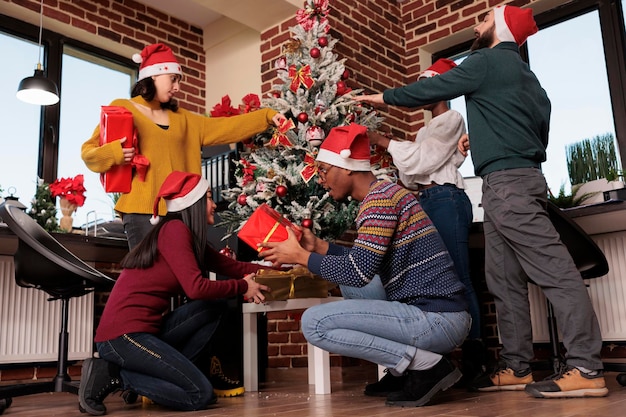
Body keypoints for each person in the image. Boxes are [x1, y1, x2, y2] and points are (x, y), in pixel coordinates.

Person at [356, 5, 608, 398]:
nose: (477, 25)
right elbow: (538, 128)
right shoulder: (530, 78)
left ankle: (586, 369)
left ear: (501, 27)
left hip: (508, 185)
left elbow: (432, 89)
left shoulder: (485, 60)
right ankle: (518, 366)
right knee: (502, 279)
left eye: (484, 19)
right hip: (510, 182)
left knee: (556, 273)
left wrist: (381, 97)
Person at [258, 124, 471, 407]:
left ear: (345, 168)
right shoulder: (384, 193)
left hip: (437, 320)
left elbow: (357, 272)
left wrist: (299, 256)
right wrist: (319, 247)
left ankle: (425, 366)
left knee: (315, 323)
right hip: (441, 315)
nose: (321, 180)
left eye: (323, 170)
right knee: (358, 285)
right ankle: (403, 370)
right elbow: (364, 264)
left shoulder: (379, 202)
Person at [78, 171, 271, 415]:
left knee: (216, 308)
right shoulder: (174, 231)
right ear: (194, 204)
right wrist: (244, 286)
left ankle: (164, 377)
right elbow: (196, 288)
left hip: (148, 332)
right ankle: (115, 374)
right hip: (122, 338)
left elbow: (234, 267)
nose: (214, 204)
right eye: (209, 198)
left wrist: (280, 267)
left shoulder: (190, 238)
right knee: (199, 395)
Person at [81, 42, 285, 250]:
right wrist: (115, 153)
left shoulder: (185, 120)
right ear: (153, 76)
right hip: (140, 212)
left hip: (183, 213)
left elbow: (228, 127)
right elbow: (89, 152)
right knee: (150, 279)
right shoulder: (123, 107)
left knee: (183, 278)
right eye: (173, 79)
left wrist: (266, 116)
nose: (177, 87)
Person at [366, 58, 484, 388]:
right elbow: (411, 173)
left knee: (457, 276)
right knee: (428, 280)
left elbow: (426, 161)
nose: (421, 92)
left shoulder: (452, 118)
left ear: (441, 87)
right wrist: (397, 149)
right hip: (426, 200)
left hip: (446, 198)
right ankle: (424, 365)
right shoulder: (423, 130)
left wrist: (387, 143)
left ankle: (475, 361)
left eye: (426, 85)